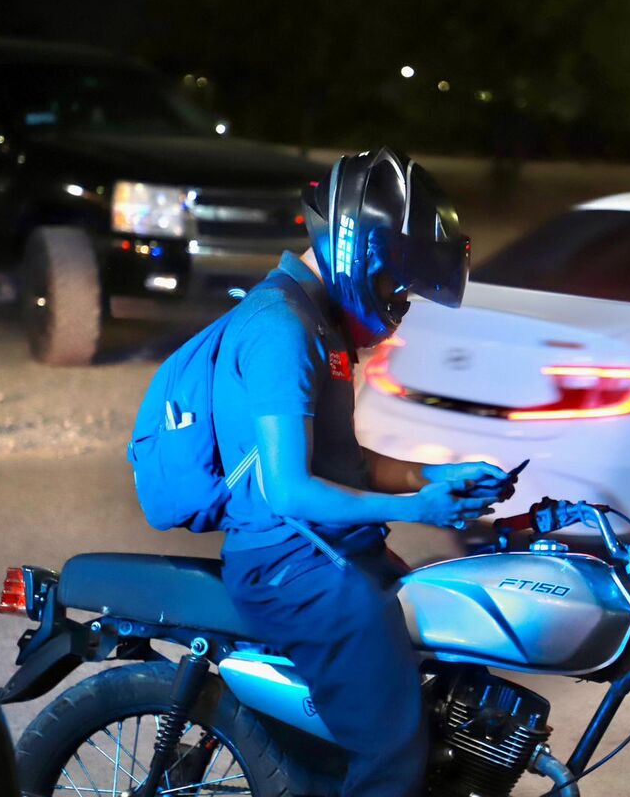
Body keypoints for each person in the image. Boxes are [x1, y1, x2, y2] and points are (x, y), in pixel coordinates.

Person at [213, 148, 516, 796]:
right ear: (358, 252)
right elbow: (289, 490)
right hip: (289, 566)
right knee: (394, 752)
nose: (401, 301)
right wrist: (419, 512)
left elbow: (347, 463)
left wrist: (434, 479)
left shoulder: (321, 323)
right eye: (396, 283)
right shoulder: (280, 329)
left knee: (456, 677)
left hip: (334, 551)